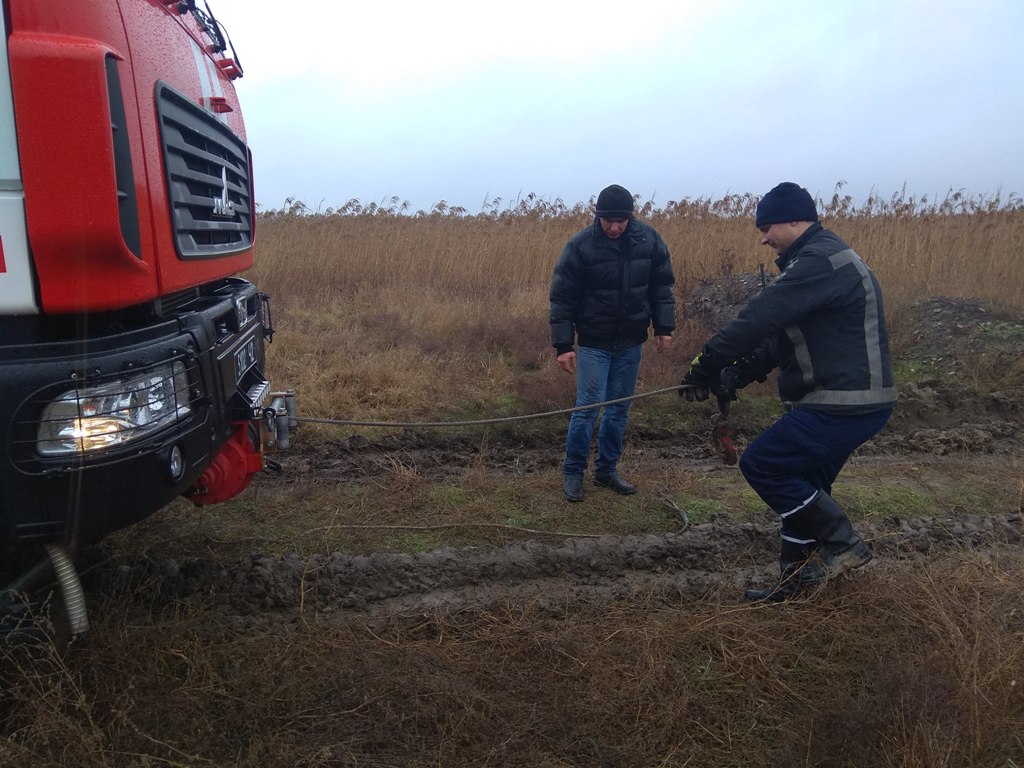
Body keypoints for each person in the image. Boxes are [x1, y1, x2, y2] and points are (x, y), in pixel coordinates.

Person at [680, 181, 896, 601]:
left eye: (767, 227)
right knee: (804, 487)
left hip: (843, 402)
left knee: (764, 463)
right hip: (847, 401)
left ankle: (843, 543)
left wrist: (704, 364)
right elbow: (780, 338)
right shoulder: (816, 261)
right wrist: (733, 376)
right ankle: (796, 586)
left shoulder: (820, 261)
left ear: (795, 219)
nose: (763, 237)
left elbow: (758, 319)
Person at [549, 184, 676, 502]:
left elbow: (661, 287)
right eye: (608, 221)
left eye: (620, 220)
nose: (615, 227)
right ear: (598, 217)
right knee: (587, 411)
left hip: (631, 342)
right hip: (594, 343)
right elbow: (562, 299)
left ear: (630, 218)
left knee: (618, 411)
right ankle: (573, 473)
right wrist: (564, 346)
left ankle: (606, 471)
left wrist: (664, 327)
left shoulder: (649, 240)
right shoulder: (580, 246)